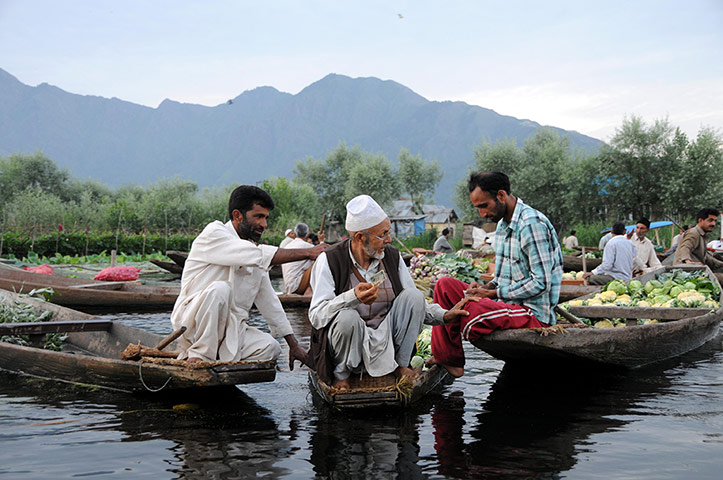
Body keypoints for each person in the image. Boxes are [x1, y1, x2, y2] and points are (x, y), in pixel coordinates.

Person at [308, 194, 470, 390]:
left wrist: (445, 315)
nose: (389, 239)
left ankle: (400, 366)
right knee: (347, 317)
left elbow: (417, 305)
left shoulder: (391, 256)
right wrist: (352, 297)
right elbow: (316, 316)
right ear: (360, 237)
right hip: (348, 343)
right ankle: (342, 375)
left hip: (387, 339)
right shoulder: (329, 260)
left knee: (414, 296)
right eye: (383, 234)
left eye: (388, 232)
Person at [170, 185, 325, 366]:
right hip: (193, 326)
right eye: (258, 217)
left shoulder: (254, 254)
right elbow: (257, 254)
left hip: (230, 331)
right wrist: (309, 253)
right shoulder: (215, 233)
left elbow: (270, 302)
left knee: (271, 347)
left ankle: (217, 358)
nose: (264, 225)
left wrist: (294, 345)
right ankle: (199, 356)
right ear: (238, 216)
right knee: (220, 289)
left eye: (266, 218)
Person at [427, 171, 563, 378]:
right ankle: (448, 358)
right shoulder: (502, 227)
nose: (482, 214)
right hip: (505, 304)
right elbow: (498, 281)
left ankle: (469, 321)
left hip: (532, 313)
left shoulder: (531, 225)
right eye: (478, 208)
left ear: (501, 195)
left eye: (484, 206)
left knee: (473, 313)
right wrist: (484, 289)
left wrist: (493, 294)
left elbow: (541, 283)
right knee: (444, 285)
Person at [674, 208, 723, 272]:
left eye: (715, 221)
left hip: (697, 270)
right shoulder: (693, 233)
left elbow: (705, 257)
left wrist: (720, 264)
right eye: (710, 220)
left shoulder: (702, 236)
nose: (713, 224)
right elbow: (685, 247)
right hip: (685, 271)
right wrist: (687, 261)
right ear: (700, 220)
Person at [282, 222, 322, 295]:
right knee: (320, 263)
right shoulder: (309, 247)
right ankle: (310, 291)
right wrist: (321, 241)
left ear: (295, 234)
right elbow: (323, 255)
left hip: (289, 286)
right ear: (307, 235)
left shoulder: (287, 246)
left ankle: (310, 289)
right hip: (296, 286)